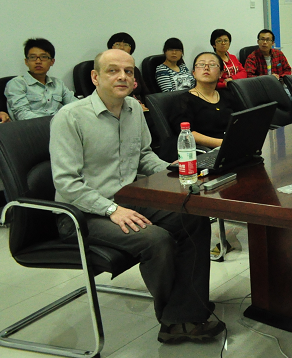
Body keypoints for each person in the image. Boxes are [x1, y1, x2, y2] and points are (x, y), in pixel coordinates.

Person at [49, 49, 224, 343]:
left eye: (128, 71)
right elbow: (66, 182)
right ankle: (174, 322)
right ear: (95, 77)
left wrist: (171, 168)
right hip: (82, 213)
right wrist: (111, 210)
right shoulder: (70, 118)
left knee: (193, 219)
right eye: (113, 70)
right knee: (156, 239)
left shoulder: (133, 108)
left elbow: (143, 156)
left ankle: (188, 307)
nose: (122, 77)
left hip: (127, 200)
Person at [171, 52, 237, 149]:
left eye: (212, 64)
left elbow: (243, 119)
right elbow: (187, 133)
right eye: (201, 64)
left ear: (221, 73)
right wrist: (224, 143)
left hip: (233, 144)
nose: (206, 68)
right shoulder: (184, 100)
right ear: (194, 73)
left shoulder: (227, 95)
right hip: (208, 150)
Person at [4, 38, 77, 120]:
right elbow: (22, 115)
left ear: (52, 62)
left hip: (58, 124)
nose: (38, 61)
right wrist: (57, 121)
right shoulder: (17, 84)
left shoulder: (58, 84)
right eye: (32, 57)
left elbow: (76, 105)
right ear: (26, 61)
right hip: (32, 126)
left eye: (43, 57)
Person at [106, 32, 148, 103]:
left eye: (126, 45)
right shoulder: (107, 68)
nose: (122, 48)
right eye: (118, 44)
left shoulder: (134, 69)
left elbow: (145, 92)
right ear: (111, 47)